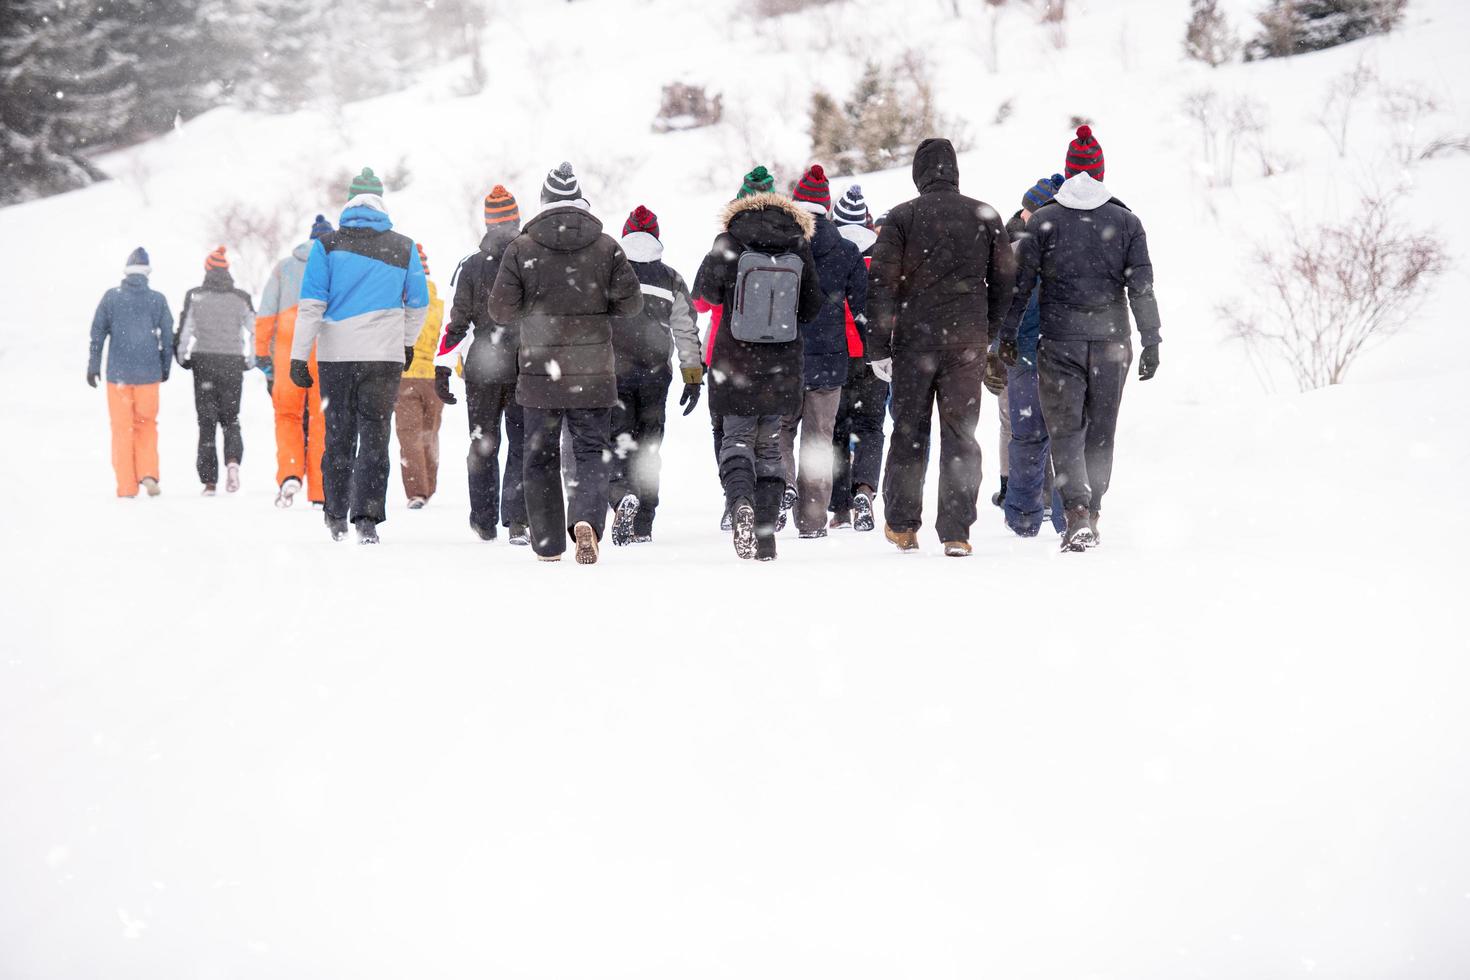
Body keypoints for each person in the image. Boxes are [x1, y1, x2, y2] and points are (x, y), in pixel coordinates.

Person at [998, 126, 1162, 551]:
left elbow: (1021, 285)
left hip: (1060, 341)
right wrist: (1151, 339)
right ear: (1101, 172)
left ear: (1069, 173)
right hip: (1112, 342)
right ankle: (1094, 510)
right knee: (1101, 431)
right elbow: (1141, 286)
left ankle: (1077, 513)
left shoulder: (1046, 220)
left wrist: (1009, 332)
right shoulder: (1126, 221)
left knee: (1066, 430)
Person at [866, 138, 1016, 557]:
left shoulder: (901, 218)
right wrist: (988, 329)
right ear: (954, 171)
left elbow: (880, 287)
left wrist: (878, 348)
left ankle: (901, 524)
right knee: (961, 435)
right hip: (966, 342)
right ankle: (956, 532)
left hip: (914, 343)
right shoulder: (984, 215)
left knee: (909, 433)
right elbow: (1006, 281)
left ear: (919, 174)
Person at [487, 162, 643, 564]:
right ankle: (585, 520)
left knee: (539, 456)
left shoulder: (521, 248)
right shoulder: (606, 246)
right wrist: (595, 303)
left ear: (544, 203)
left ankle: (548, 545)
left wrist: (534, 306)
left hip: (541, 374)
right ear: (579, 201)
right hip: (593, 374)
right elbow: (632, 304)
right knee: (591, 451)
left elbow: (501, 310)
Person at [289, 167, 429, 544]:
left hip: (336, 357)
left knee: (338, 434)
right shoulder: (403, 246)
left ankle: (335, 513)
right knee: (375, 435)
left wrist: (299, 357)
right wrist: (405, 341)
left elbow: (311, 306)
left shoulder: (327, 246)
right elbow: (419, 303)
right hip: (383, 357)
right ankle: (366, 519)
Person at [693, 188, 823, 561]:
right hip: (782, 364)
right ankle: (765, 536)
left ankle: (741, 507)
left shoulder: (730, 239)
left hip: (735, 359)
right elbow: (812, 307)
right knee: (769, 446)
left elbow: (706, 294)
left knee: (734, 439)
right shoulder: (798, 244)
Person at [435, 185, 529, 544]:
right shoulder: (530, 259)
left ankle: (484, 519)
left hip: (483, 368)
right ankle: (518, 519)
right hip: (525, 364)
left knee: (482, 443)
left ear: (487, 224)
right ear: (517, 220)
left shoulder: (470, 266)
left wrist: (442, 367)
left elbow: (456, 322)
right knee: (523, 443)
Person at [607, 205, 703, 545]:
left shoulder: (610, 273)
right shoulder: (671, 278)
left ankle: (621, 498)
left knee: (618, 442)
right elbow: (685, 329)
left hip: (613, 373)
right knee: (649, 447)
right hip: (654, 376)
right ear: (656, 238)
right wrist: (693, 376)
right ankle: (644, 519)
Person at [779, 164, 867, 539]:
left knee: (780, 431)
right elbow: (861, 305)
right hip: (830, 361)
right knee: (818, 439)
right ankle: (813, 521)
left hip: (783, 356)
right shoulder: (846, 250)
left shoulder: (780, 243)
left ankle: (783, 484)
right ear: (827, 207)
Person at [695, 164, 778, 532]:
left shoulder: (726, 244)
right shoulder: (790, 241)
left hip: (725, 354)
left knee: (728, 433)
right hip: (779, 356)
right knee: (769, 438)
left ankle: (737, 499)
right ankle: (764, 512)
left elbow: (700, 301)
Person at [1001, 175, 1068, 538]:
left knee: (1027, 435)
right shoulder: (1064, 248)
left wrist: (1001, 346)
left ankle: (1027, 516)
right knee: (1063, 436)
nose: (1023, 215)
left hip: (1029, 354)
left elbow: (1004, 306)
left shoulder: (1017, 250)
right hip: (1053, 352)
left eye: (1029, 210)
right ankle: (1058, 515)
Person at [256, 213, 333, 508]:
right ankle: (321, 490)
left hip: (288, 354)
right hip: (325, 352)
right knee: (321, 420)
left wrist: (262, 354)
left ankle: (289, 473)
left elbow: (264, 316)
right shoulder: (335, 267)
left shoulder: (284, 268)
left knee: (287, 416)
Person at [88, 246, 173, 498]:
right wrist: (164, 366)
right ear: (147, 273)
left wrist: (93, 364)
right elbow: (168, 336)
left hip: (119, 377)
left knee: (121, 429)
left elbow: (97, 333)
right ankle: (148, 472)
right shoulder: (157, 299)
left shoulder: (111, 297)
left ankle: (126, 486)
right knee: (146, 425)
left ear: (126, 271)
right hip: (149, 375)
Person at [827, 184, 884, 532]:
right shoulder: (881, 254)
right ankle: (864, 487)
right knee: (870, 427)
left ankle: (840, 509)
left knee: (836, 430)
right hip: (874, 352)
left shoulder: (833, 252)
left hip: (836, 352)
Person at [176, 246, 255, 495]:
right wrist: (250, 360)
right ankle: (233, 462)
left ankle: (209, 482)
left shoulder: (195, 296)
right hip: (232, 362)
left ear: (207, 270)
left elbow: (186, 329)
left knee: (206, 422)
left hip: (204, 362)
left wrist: (182, 357)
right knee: (231, 419)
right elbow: (257, 329)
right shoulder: (241, 297)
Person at [394, 243, 445, 508]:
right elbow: (449, 340)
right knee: (429, 433)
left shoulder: (401, 304)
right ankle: (430, 486)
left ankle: (417, 491)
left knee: (408, 435)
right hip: (435, 379)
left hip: (405, 377)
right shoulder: (440, 304)